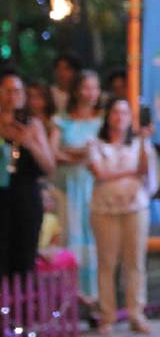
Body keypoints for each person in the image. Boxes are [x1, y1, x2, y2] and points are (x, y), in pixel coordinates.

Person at [88, 98, 158, 335]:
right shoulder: (96, 144)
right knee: (107, 263)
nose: (120, 117)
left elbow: (145, 171)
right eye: (115, 112)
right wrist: (130, 172)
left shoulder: (139, 143)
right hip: (104, 209)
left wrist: (145, 141)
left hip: (135, 208)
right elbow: (99, 172)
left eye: (125, 113)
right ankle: (107, 315)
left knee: (135, 263)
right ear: (108, 116)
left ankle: (136, 313)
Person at [50, 69, 103, 302]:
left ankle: (96, 296)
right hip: (68, 189)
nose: (91, 93)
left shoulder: (102, 121)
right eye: (86, 87)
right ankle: (68, 296)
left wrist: (71, 153)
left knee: (95, 238)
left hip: (94, 187)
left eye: (95, 88)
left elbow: (102, 151)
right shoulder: (62, 120)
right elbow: (53, 152)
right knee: (68, 236)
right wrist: (78, 154)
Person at [0, 67, 56, 278]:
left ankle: (20, 298)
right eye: (7, 91)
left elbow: (49, 167)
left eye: (17, 91)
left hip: (25, 197)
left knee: (23, 257)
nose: (12, 96)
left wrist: (30, 143)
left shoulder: (34, 125)